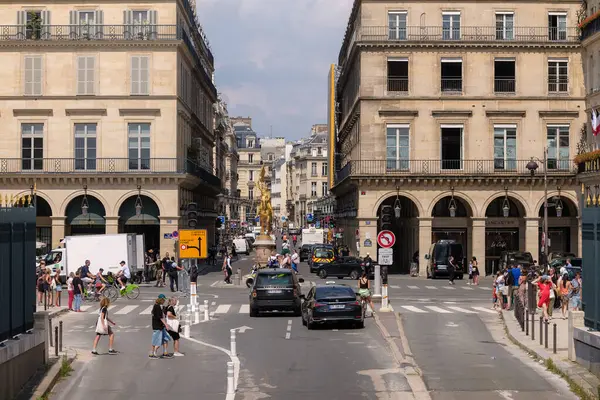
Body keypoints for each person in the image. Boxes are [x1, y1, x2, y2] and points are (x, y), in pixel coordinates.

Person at [150, 294, 173, 359]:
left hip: (161, 326)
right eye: (164, 300)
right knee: (156, 340)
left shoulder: (161, 306)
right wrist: (166, 324)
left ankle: (165, 352)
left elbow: (163, 314)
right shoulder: (156, 307)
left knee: (165, 339)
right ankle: (152, 353)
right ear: (161, 300)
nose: (164, 301)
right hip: (157, 327)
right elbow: (160, 317)